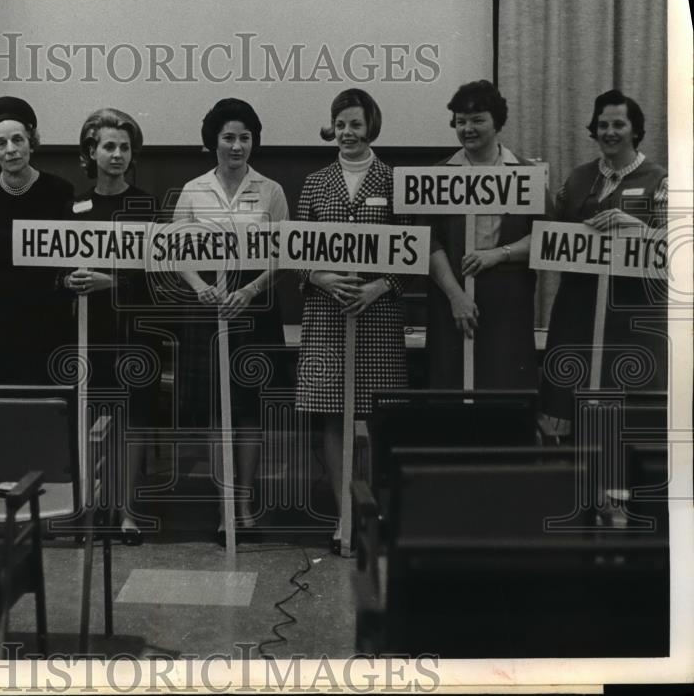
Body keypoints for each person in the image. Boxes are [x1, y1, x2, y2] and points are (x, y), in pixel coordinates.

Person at [295, 88, 409, 553]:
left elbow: (412, 251)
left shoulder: (392, 180)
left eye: (355, 125)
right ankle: (345, 518)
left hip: (377, 315)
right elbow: (295, 252)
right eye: (340, 125)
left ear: (371, 127)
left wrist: (379, 286)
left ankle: (376, 513)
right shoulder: (315, 183)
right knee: (331, 416)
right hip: (327, 314)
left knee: (380, 416)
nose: (347, 133)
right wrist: (322, 277)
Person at [173, 98, 288, 545]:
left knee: (249, 411)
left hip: (254, 306)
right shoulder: (193, 189)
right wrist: (201, 286)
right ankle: (224, 509)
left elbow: (284, 253)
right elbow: (175, 251)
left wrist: (252, 289)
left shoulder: (271, 190)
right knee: (218, 413)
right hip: (208, 306)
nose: (237, 145)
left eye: (244, 137)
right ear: (213, 142)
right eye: (228, 137)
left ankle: (245, 506)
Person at [539, 90, 668, 437]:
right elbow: (553, 232)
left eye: (618, 124)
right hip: (577, 309)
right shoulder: (578, 179)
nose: (610, 132)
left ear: (635, 130)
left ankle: (619, 486)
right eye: (602, 125)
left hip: (630, 315)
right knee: (567, 406)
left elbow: (679, 251)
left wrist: (638, 229)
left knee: (623, 409)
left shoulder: (659, 180)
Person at [62, 108, 160, 544]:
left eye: (124, 147)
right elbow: (52, 262)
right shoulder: (73, 207)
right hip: (86, 331)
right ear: (91, 152)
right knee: (86, 417)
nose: (117, 154)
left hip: (134, 332)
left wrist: (112, 280)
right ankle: (85, 507)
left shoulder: (147, 206)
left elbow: (160, 275)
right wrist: (67, 279)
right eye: (108, 146)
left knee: (132, 420)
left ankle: (128, 512)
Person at [425, 80, 548, 389]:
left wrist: (499, 253)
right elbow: (426, 240)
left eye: (478, 119)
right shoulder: (439, 174)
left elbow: (547, 237)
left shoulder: (525, 174)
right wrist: (455, 295)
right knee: (450, 391)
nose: (468, 128)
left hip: (508, 300)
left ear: (497, 122)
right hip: (451, 299)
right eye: (461, 121)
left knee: (504, 389)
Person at [0, 96, 74, 384]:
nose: (11, 150)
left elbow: (69, 260)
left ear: (31, 142)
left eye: (18, 140)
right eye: (1, 143)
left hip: (48, 318)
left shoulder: (60, 190)